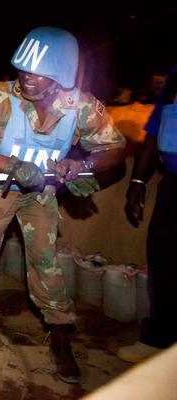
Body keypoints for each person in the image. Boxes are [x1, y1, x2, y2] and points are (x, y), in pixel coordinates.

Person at [0, 26, 125, 384]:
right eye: (22, 69)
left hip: (42, 193)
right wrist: (10, 165)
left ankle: (60, 336)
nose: (26, 76)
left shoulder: (82, 107)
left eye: (37, 72)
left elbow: (115, 148)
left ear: (61, 74)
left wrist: (82, 164)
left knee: (46, 262)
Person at [118, 65, 177, 363]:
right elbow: (155, 131)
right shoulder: (175, 77)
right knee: (164, 259)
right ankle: (159, 339)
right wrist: (138, 181)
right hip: (174, 185)